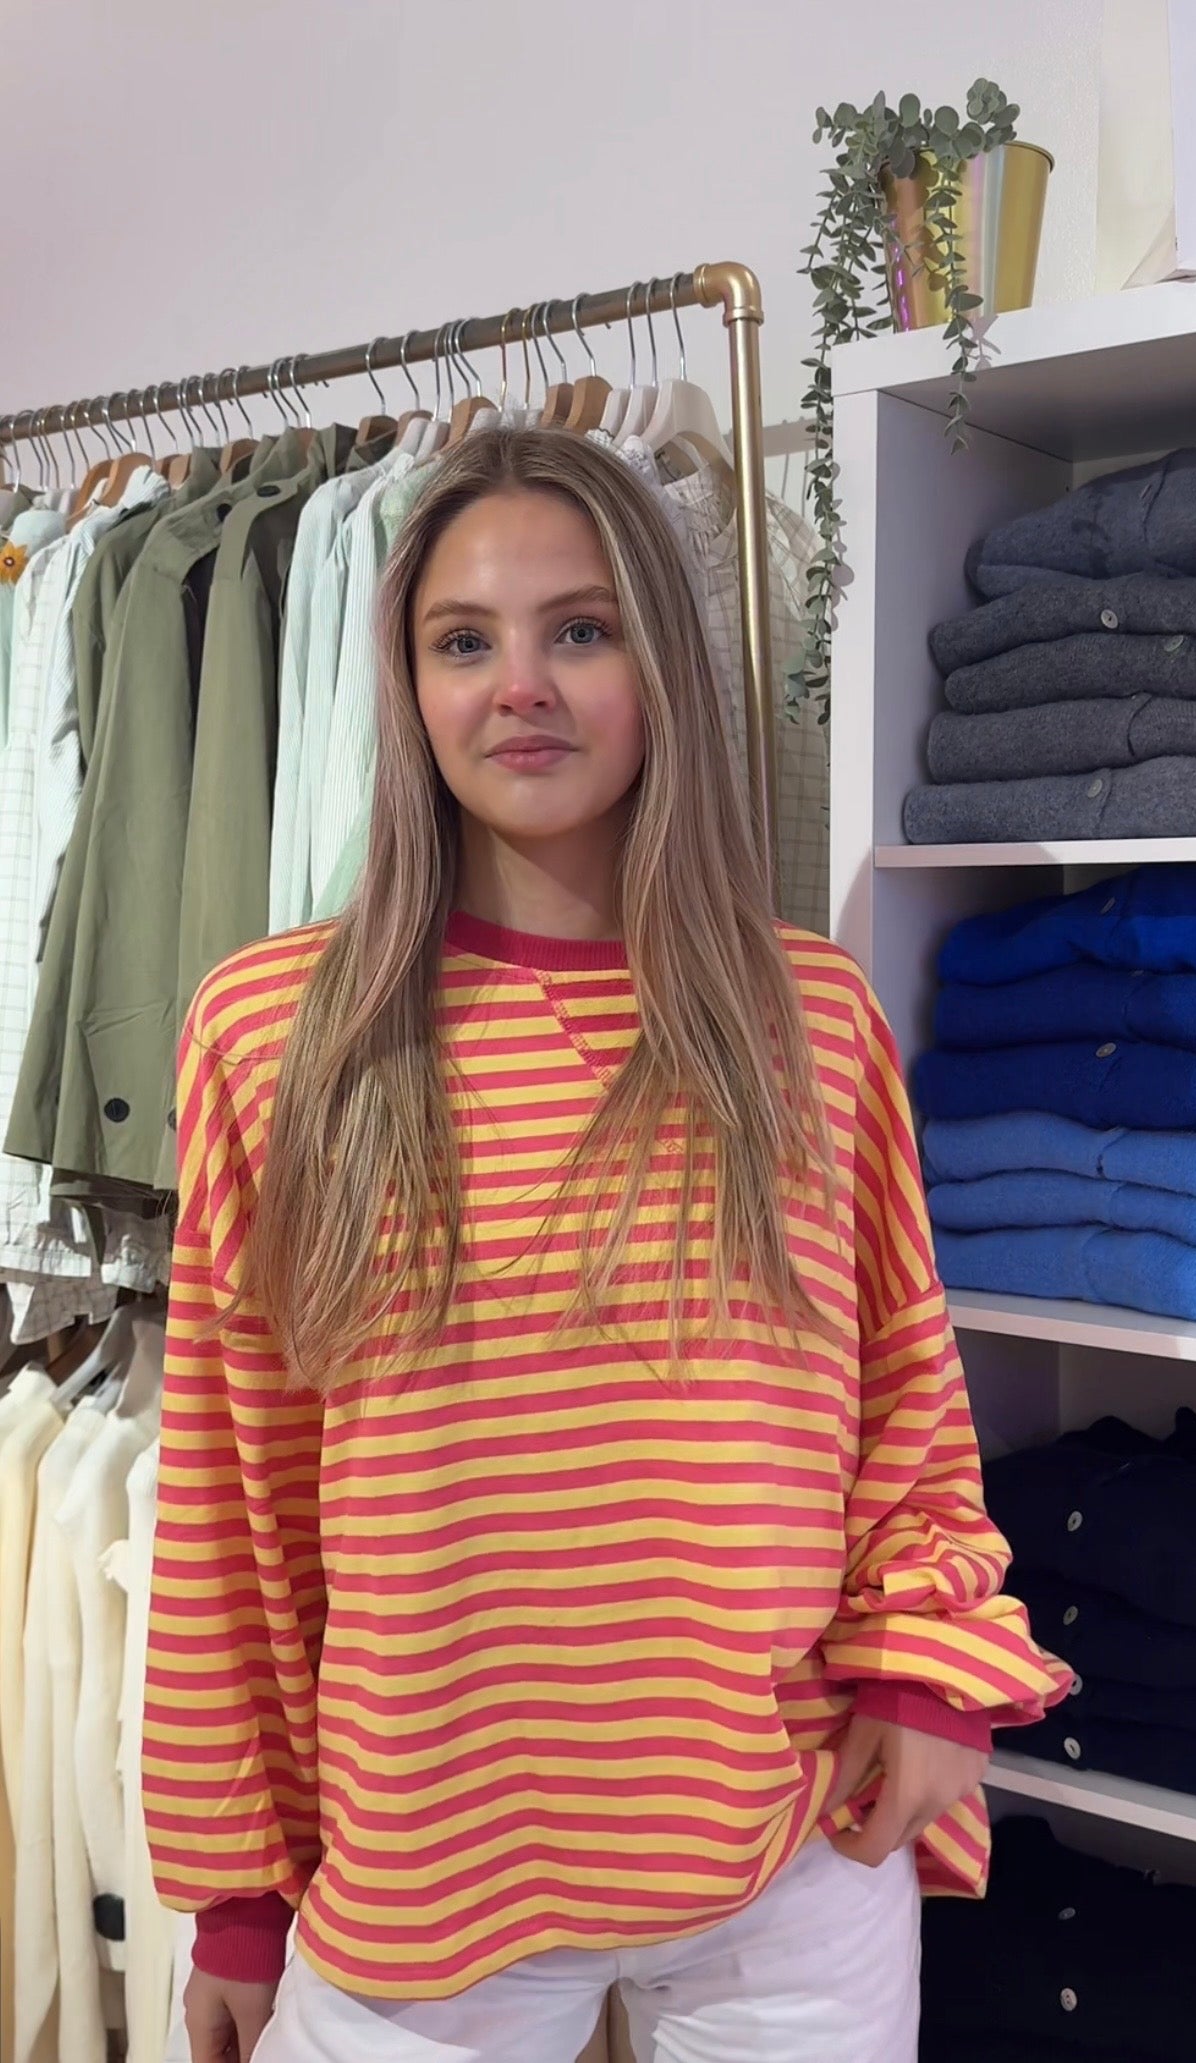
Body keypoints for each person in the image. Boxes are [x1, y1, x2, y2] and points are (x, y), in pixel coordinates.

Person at [143, 428, 1069, 2063]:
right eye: (462, 640)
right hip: (425, 1861)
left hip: (792, 1844)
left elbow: (903, 1402)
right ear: (407, 688)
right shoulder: (277, 1034)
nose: (520, 686)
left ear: (660, 669)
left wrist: (928, 1674)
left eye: (579, 629)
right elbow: (235, 1498)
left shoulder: (808, 1018)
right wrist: (235, 1892)